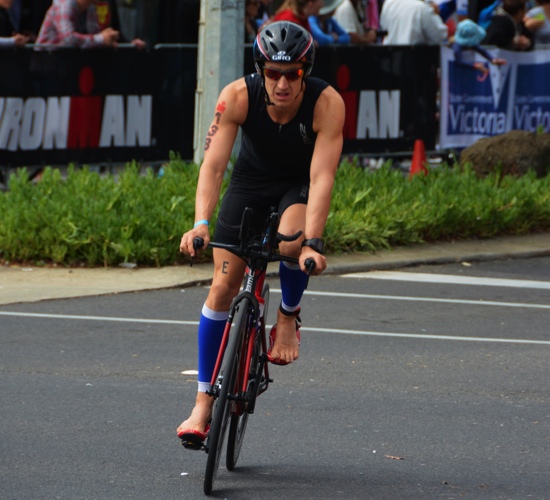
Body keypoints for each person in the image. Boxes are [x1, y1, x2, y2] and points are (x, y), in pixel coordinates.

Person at [176, 20, 345, 446]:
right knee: (222, 286)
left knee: (291, 238)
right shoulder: (236, 95)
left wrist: (314, 243)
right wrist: (200, 223)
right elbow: (214, 165)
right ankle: (202, 404)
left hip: (298, 184)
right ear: (260, 69)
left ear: (305, 71)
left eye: (292, 74)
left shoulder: (327, 103)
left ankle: (287, 316)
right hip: (250, 181)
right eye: (273, 72)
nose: (283, 83)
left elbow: (323, 175)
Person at [35, 0, 120, 48]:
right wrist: (101, 39)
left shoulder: (90, 7)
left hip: (69, 62)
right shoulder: (64, 5)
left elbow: (93, 33)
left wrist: (108, 37)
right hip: (46, 62)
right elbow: (69, 38)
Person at [380, 0, 449, 44]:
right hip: (415, 61)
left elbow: (383, 26)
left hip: (391, 62)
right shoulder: (422, 8)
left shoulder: (388, 3)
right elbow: (440, 35)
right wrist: (435, 14)